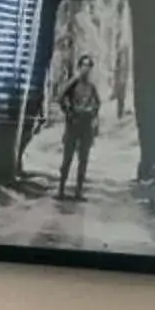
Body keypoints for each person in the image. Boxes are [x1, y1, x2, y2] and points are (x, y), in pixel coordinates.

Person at [54, 53, 102, 201]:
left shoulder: (91, 87)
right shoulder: (73, 83)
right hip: (73, 125)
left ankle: (78, 192)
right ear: (79, 67)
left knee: (83, 159)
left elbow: (97, 103)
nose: (86, 69)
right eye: (84, 65)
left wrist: (92, 112)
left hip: (85, 127)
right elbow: (61, 97)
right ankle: (61, 190)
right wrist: (69, 112)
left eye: (89, 66)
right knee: (67, 158)